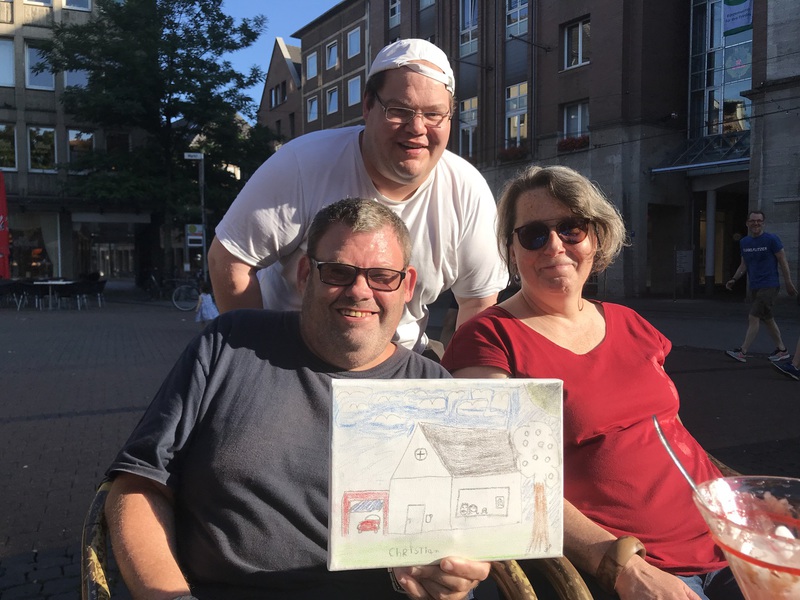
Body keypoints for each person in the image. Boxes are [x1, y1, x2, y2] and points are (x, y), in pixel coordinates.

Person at [104, 199, 490, 600]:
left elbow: (458, 542)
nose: (360, 291)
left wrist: (450, 579)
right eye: (338, 272)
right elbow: (139, 484)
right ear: (305, 274)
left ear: (407, 286)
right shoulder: (230, 343)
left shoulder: (434, 390)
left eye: (381, 277)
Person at [440, 165, 744, 600]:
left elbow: (664, 428)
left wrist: (747, 507)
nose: (555, 246)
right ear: (511, 249)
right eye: (533, 235)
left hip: (730, 535)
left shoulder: (629, 322)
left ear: (595, 239)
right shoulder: (489, 338)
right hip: (645, 566)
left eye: (571, 228)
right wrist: (620, 565)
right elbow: (494, 475)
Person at [208, 38, 506, 356]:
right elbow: (229, 259)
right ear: (367, 106)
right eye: (399, 110)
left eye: (434, 114)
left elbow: (477, 301)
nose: (417, 128)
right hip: (293, 351)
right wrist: (258, 355)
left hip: (401, 358)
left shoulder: (467, 192)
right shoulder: (302, 164)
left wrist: (462, 378)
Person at [724, 210, 797, 363]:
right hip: (755, 286)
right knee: (768, 318)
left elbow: (783, 261)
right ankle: (782, 350)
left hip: (769, 285)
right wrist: (734, 279)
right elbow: (744, 264)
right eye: (752, 221)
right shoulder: (744, 242)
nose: (756, 223)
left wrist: (788, 282)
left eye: (759, 221)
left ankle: (742, 351)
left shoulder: (772, 240)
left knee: (753, 316)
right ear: (747, 223)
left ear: (763, 223)